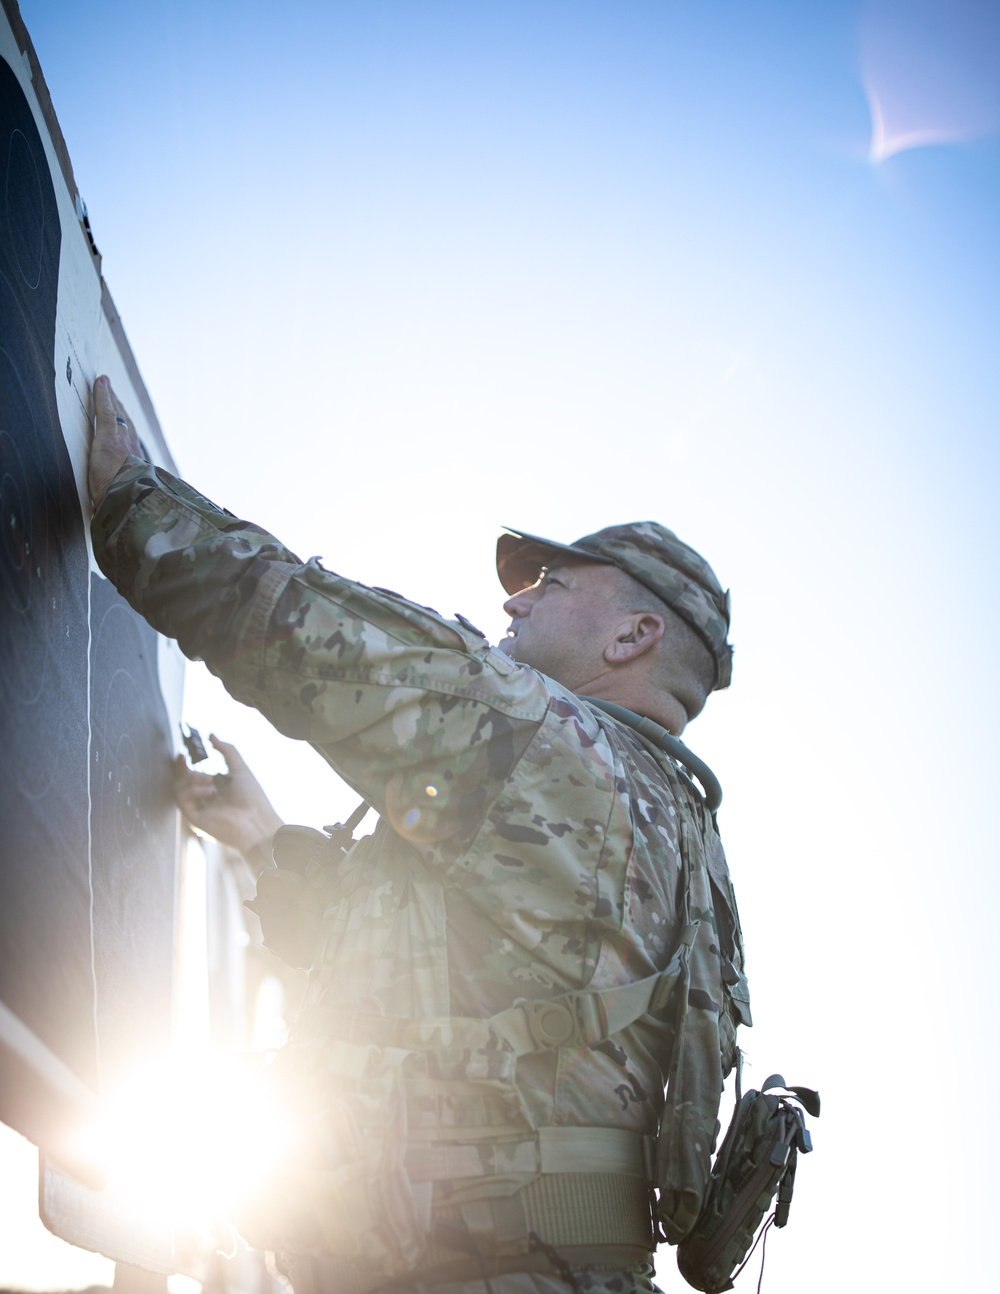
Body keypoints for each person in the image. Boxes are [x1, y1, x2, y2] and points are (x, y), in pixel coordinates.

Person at [87, 376, 750, 1294]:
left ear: (635, 634)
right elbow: (448, 981)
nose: (517, 604)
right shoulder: (677, 832)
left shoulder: (547, 744)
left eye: (550, 584)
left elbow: (299, 627)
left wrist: (128, 501)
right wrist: (266, 838)